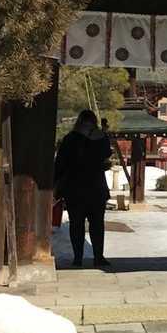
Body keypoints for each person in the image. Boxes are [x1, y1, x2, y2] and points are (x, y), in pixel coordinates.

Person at [55, 110, 113, 267]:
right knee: (97, 224)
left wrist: (56, 184)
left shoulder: (70, 138)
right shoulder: (100, 137)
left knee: (76, 224)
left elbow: (60, 163)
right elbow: (107, 154)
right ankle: (98, 257)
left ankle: (78, 257)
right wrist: (103, 132)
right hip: (96, 187)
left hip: (74, 187)